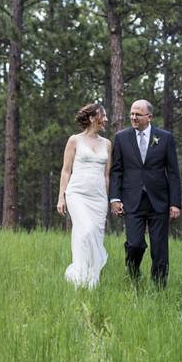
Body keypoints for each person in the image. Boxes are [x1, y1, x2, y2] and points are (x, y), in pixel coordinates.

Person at [109, 99, 181, 288]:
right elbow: (116, 170)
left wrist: (175, 203)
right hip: (132, 201)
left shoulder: (165, 138)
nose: (133, 117)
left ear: (149, 117)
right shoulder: (121, 137)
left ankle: (159, 287)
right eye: (132, 114)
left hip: (159, 201)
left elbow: (173, 172)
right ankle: (133, 276)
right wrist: (115, 198)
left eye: (138, 114)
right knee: (134, 244)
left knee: (159, 247)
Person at [57, 103, 111, 289]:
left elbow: (106, 175)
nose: (105, 119)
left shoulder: (107, 144)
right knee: (86, 230)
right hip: (77, 193)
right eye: (102, 116)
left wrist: (109, 199)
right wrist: (61, 197)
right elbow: (66, 171)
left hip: (98, 198)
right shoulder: (75, 140)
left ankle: (91, 279)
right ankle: (78, 275)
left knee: (95, 235)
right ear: (91, 118)